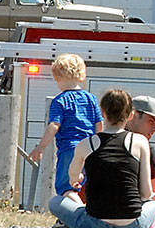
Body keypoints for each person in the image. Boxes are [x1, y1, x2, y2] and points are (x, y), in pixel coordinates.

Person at [47, 89, 155, 228]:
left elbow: (72, 178)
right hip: (131, 225)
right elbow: (146, 193)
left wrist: (78, 179)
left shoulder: (85, 144)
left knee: (55, 202)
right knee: (153, 204)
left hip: (94, 223)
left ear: (103, 113)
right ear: (131, 115)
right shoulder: (139, 142)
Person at [27, 54, 103, 196]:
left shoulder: (60, 100)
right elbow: (99, 124)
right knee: (84, 185)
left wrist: (41, 147)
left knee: (65, 187)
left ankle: (75, 213)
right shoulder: (90, 98)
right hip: (89, 148)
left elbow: (54, 125)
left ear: (57, 76)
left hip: (69, 148)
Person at [126, 95, 155, 211]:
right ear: (133, 115)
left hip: (95, 218)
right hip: (131, 220)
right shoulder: (146, 149)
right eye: (151, 121)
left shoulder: (99, 140)